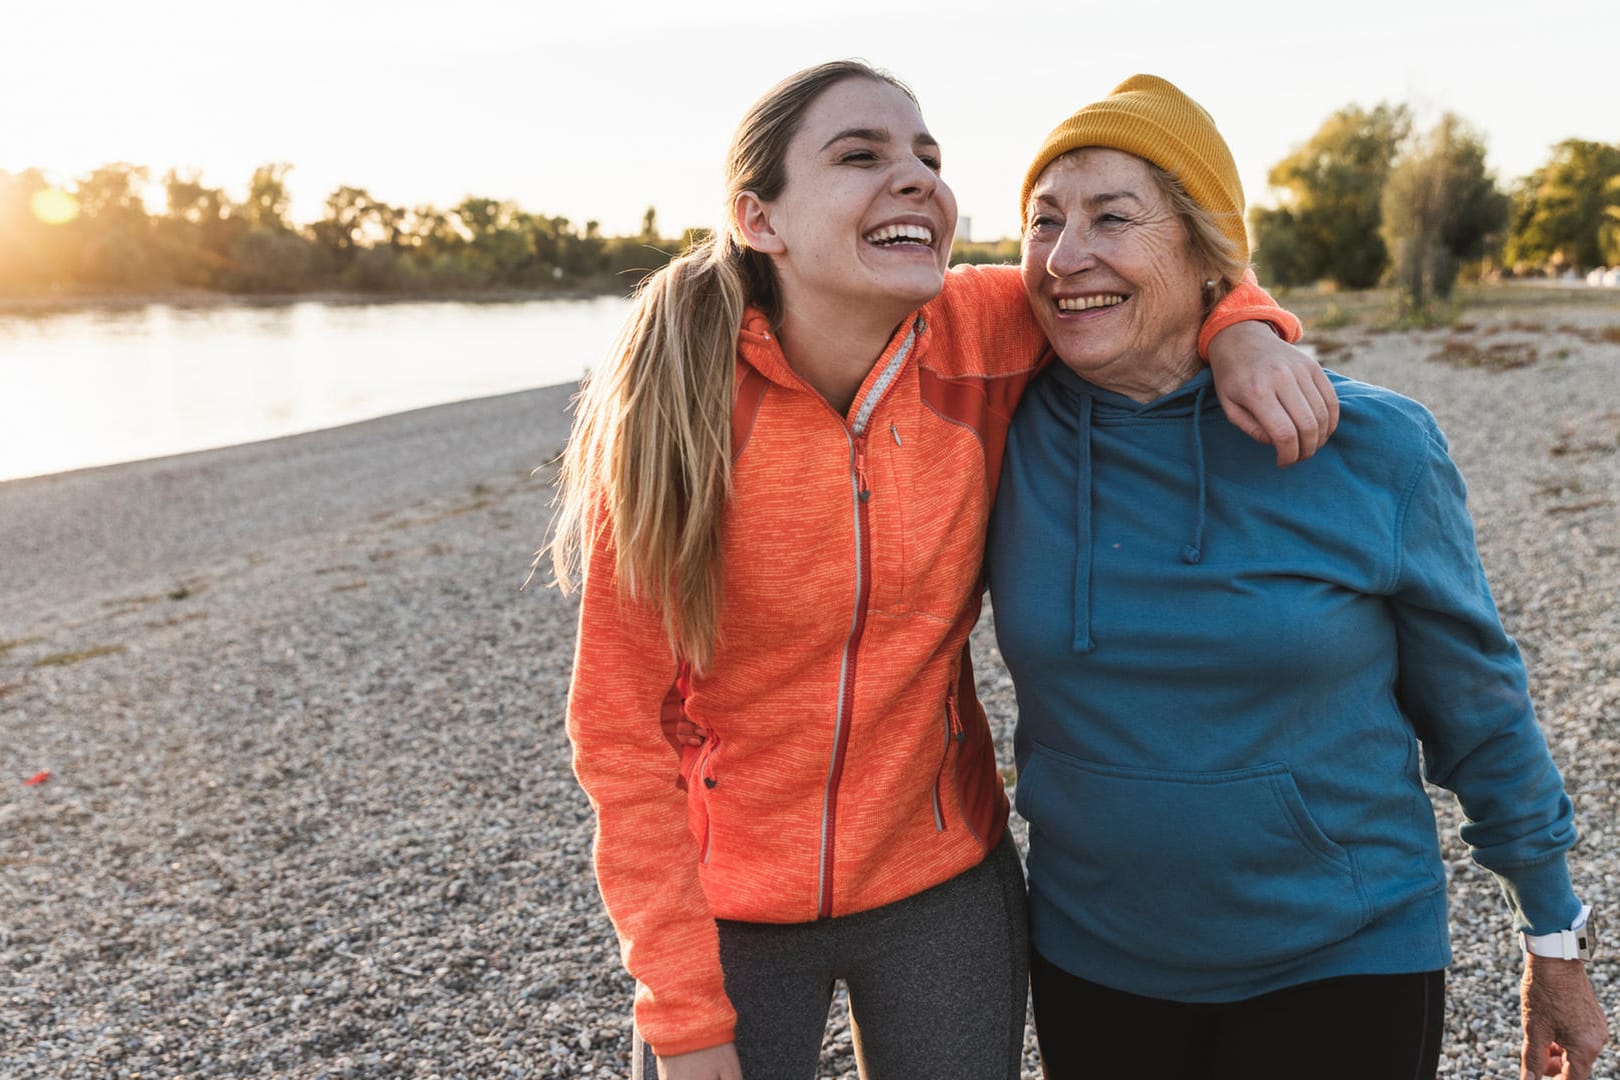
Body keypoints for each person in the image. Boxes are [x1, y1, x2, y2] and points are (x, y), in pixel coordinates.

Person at [548, 61, 1333, 1080]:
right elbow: (618, 734)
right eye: (861, 155)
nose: (915, 177)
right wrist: (686, 1019)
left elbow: (1163, 274)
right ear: (762, 220)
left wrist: (1245, 336)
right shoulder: (680, 415)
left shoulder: (987, 332)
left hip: (944, 884)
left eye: (928, 157)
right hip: (728, 903)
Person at [986, 74, 1611, 1080]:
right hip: (1094, 960)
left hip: (1343, 959)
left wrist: (1552, 939)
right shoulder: (1000, 428)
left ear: (1205, 252)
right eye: (1042, 222)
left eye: (1111, 218)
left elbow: (1480, 708)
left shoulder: (1373, 446)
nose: (1065, 258)